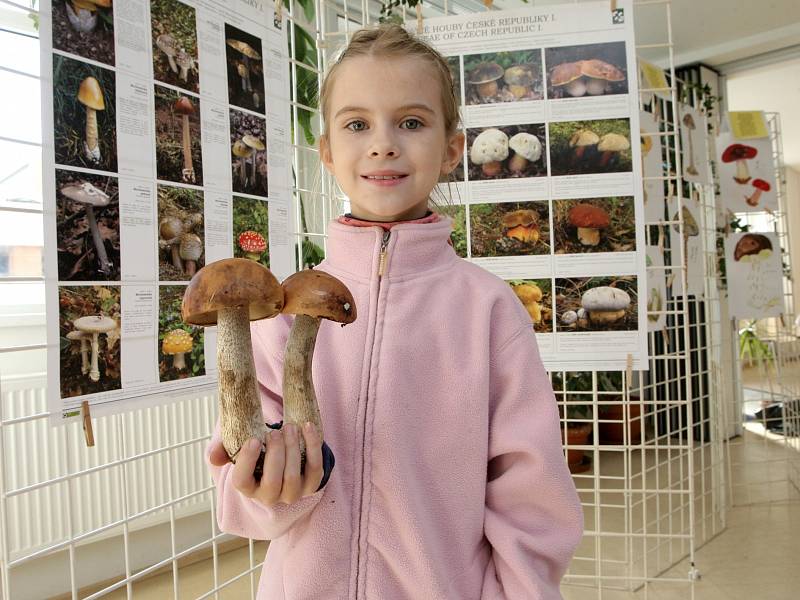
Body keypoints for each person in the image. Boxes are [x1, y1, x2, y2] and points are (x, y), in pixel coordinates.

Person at [206, 24, 583, 599]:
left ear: (452, 149)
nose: (383, 143)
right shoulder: (277, 312)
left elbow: (531, 493)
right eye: (357, 124)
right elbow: (244, 498)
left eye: (411, 121)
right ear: (327, 151)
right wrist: (269, 488)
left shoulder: (487, 310)